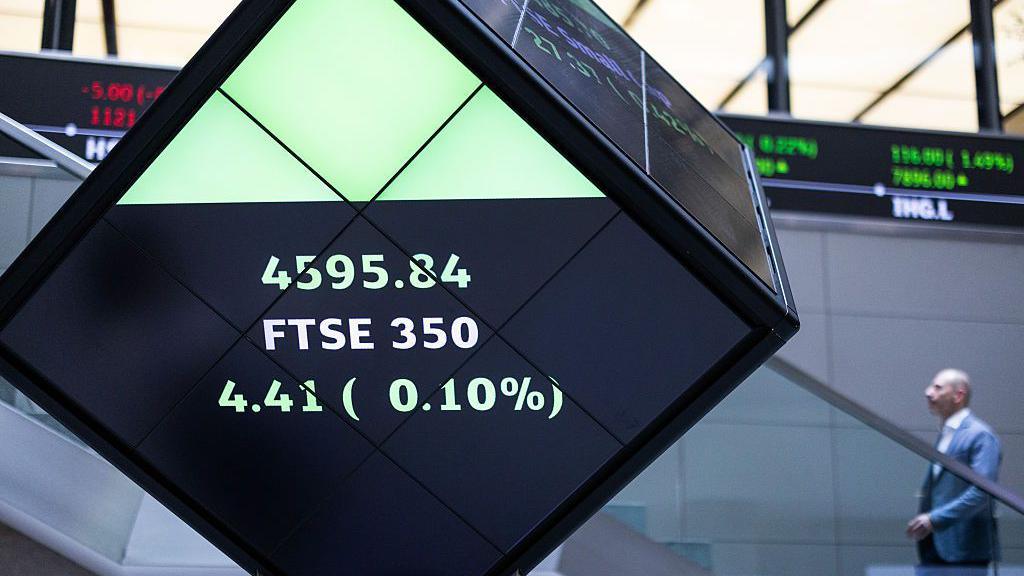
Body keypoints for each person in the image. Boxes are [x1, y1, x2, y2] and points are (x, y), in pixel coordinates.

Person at [906, 368, 1001, 574]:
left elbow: (982, 492)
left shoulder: (980, 436)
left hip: (964, 550)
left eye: (937, 388)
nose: (928, 392)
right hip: (936, 547)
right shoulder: (947, 434)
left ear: (959, 395)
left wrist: (935, 519)